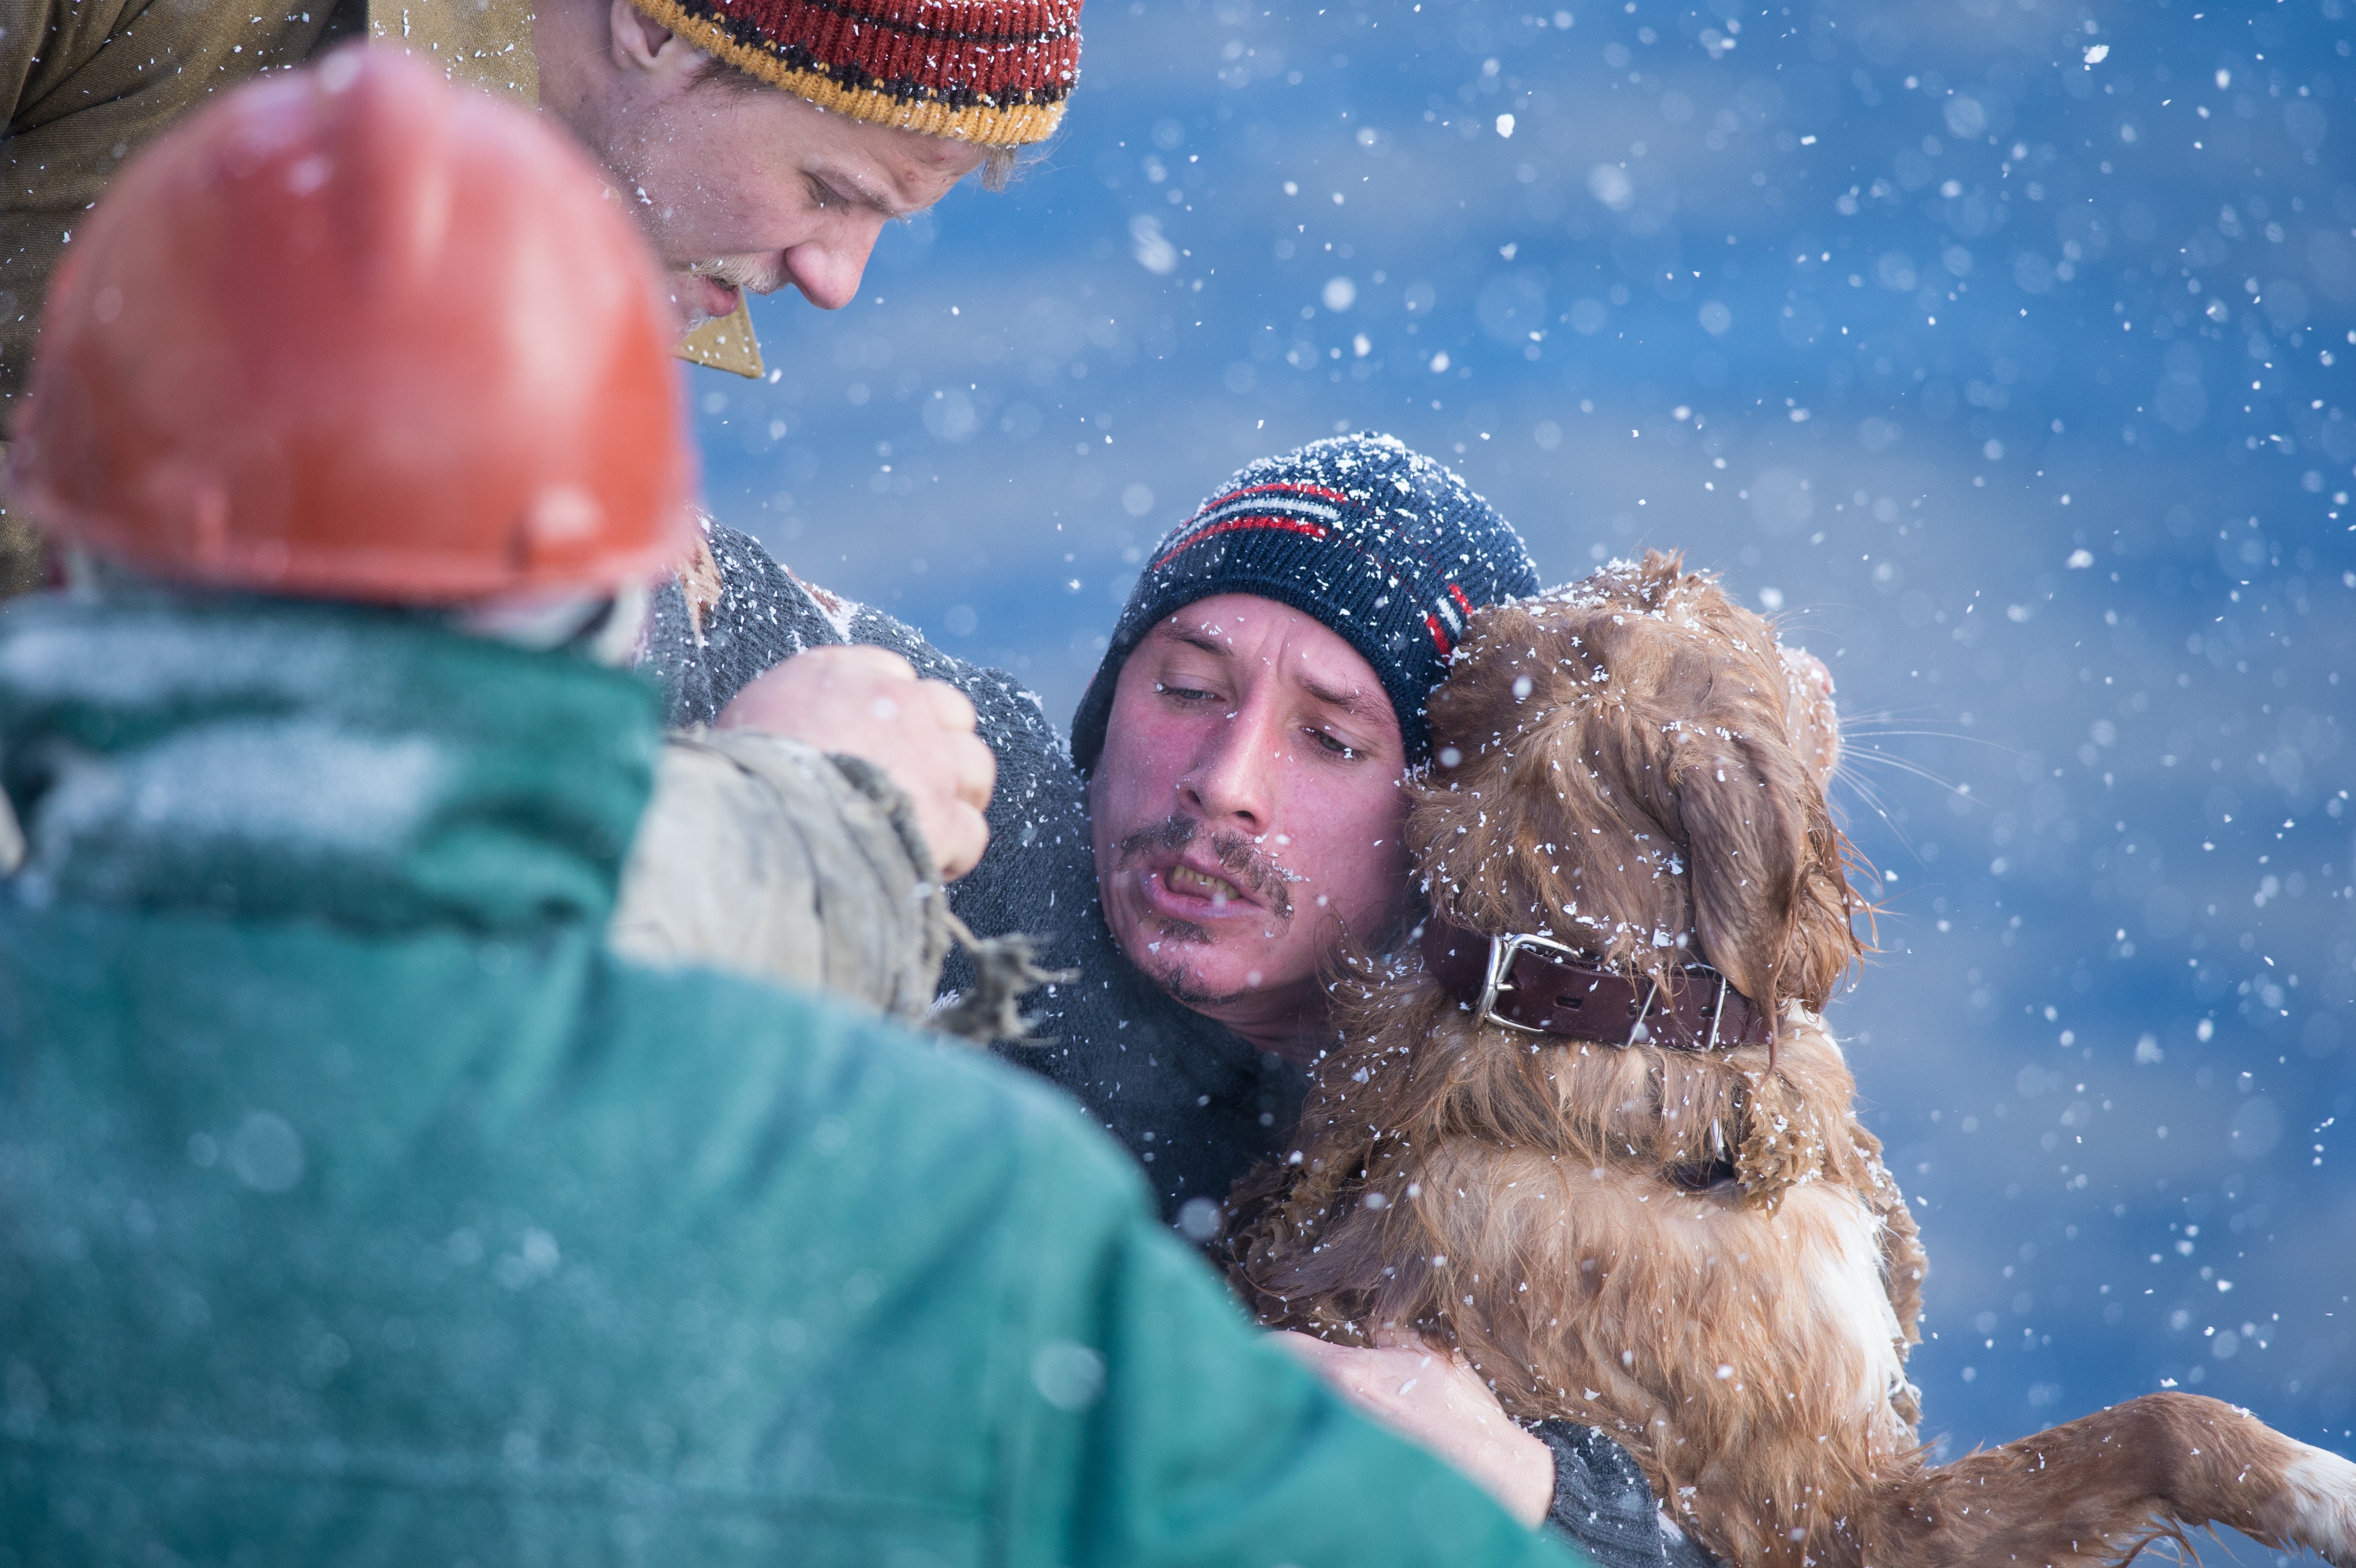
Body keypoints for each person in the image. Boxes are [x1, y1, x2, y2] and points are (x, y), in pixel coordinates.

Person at [0, 55, 1581, 1567]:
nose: (1226, 784)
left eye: (1330, 737)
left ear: (60, 545)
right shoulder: (941, 1215)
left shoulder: (1579, 1108)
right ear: (624, 578)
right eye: (1182, 689)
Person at [1, 0, 1086, 1013]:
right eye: (833, 193)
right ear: (654, 33)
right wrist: (775, 841)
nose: (836, 278)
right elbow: (354, 981)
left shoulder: (591, 243)